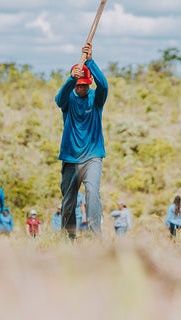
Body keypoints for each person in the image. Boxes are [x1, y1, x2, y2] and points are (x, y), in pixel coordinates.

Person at [55, 42, 108, 239]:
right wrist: (71, 79)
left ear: (89, 82)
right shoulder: (68, 98)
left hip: (93, 155)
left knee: (92, 194)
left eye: (85, 85)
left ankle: (96, 238)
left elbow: (104, 85)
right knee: (68, 201)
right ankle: (68, 239)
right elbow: (58, 99)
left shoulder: (96, 98)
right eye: (79, 85)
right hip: (70, 157)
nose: (82, 88)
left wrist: (90, 60)